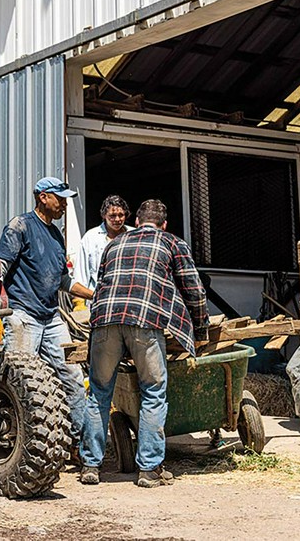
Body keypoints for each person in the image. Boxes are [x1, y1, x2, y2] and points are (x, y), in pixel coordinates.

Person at [79, 199, 209, 488]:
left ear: (136, 222)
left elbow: (102, 283)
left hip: (105, 320)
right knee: (153, 391)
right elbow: (194, 289)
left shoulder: (115, 244)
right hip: (145, 322)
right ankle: (149, 470)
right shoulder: (172, 243)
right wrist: (200, 330)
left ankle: (90, 466)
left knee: (99, 393)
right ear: (164, 225)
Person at [0, 176, 94, 451]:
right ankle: (13, 443)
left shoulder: (55, 236)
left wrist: (95, 294)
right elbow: (0, 266)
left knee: (72, 376)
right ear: (42, 197)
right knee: (20, 381)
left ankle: (78, 446)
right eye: (59, 198)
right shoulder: (21, 226)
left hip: (51, 318)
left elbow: (64, 280)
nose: (63, 204)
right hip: (23, 316)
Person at [72, 194, 133, 296]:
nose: (117, 219)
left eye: (121, 215)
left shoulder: (134, 235)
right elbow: (81, 275)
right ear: (104, 215)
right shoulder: (91, 237)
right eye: (112, 216)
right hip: (99, 299)